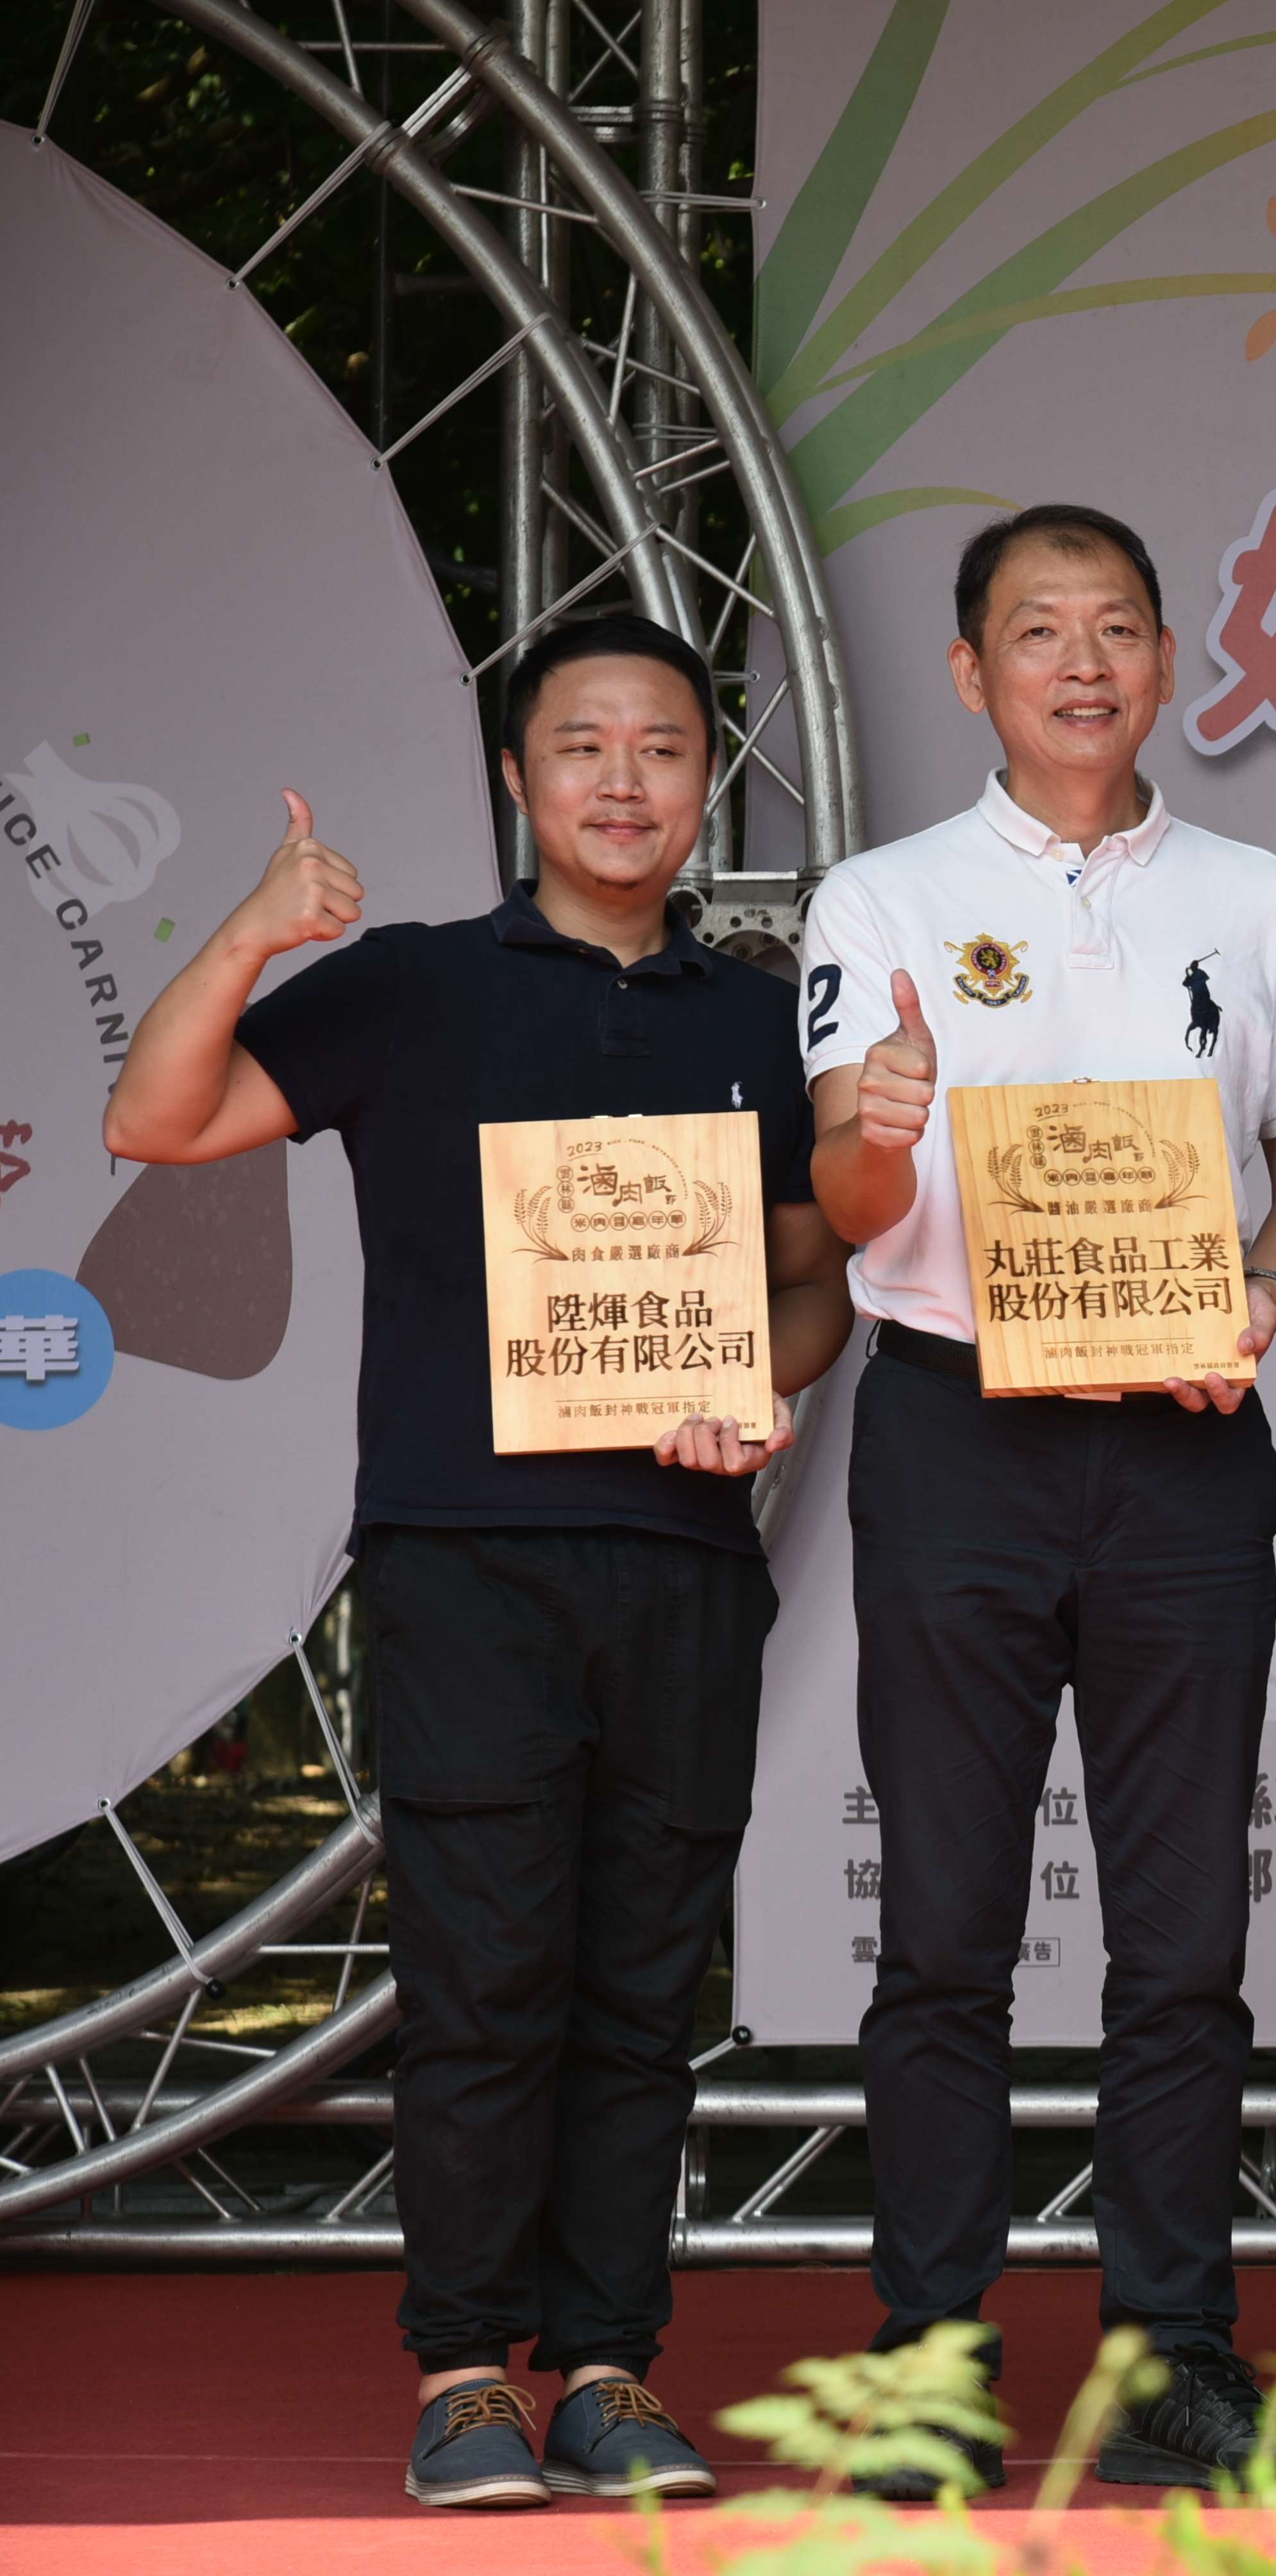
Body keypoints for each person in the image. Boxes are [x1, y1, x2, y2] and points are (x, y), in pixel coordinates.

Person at [103, 613, 852, 2511]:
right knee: (486, 1968)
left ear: (705, 786)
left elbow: (813, 1283)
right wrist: (259, 932)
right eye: (582, 744)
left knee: (640, 1977)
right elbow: (158, 1116)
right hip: (462, 1551)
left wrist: (757, 1384)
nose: (624, 778)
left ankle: (608, 2367)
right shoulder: (412, 988)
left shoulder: (757, 1018)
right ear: (517, 780)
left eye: (665, 748)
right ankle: (461, 2376)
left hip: (683, 1552)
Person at [798, 505, 1276, 2495]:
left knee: (1184, 1930)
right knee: (941, 1927)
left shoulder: (1258, 893)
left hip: (1188, 1439)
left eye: (1119, 625)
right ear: (974, 674)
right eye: (1041, 631)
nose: (1083, 663)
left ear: (1169, 656)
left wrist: (1274, 1288)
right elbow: (858, 1211)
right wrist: (878, 1133)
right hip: (959, 1428)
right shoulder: (883, 897)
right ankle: (930, 2360)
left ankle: (1171, 2357)